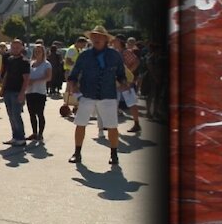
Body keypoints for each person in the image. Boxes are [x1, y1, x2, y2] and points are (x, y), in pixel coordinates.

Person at [66, 25, 128, 167]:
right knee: (80, 123)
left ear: (106, 39)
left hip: (108, 95)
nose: (96, 39)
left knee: (112, 126)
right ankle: (77, 152)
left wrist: (124, 83)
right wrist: (72, 84)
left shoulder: (114, 55)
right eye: (93, 36)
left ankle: (114, 154)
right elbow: (74, 74)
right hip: (88, 94)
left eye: (99, 36)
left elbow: (121, 74)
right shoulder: (84, 55)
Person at [0, 39, 31, 146]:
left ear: (22, 48)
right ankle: (15, 136)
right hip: (8, 90)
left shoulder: (25, 62)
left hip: (17, 91)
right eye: (13, 47)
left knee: (16, 115)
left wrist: (22, 93)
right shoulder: (9, 59)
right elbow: (6, 75)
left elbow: (26, 79)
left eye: (17, 47)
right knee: (10, 115)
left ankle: (21, 137)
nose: (15, 49)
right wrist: (2, 88)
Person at [113, 34, 142, 134]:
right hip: (117, 82)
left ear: (120, 41)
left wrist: (128, 72)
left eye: (115, 40)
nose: (113, 41)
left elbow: (137, 61)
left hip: (126, 82)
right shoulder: (117, 52)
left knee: (131, 103)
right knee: (113, 102)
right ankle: (111, 125)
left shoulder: (126, 52)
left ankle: (137, 123)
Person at [24, 43, 51, 143]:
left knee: (39, 113)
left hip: (40, 92)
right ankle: (34, 132)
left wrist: (35, 81)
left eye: (39, 51)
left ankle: (40, 133)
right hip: (30, 91)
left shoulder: (46, 64)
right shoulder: (31, 63)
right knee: (31, 113)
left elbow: (48, 77)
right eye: (35, 51)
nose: (37, 53)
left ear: (43, 52)